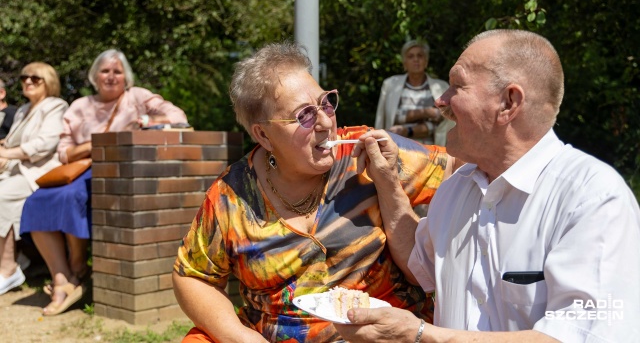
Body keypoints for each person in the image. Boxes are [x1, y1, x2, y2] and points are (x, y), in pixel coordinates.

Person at [334, 29, 640, 342]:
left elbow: (586, 336)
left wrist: (422, 336)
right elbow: (420, 261)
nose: (441, 101)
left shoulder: (593, 198)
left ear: (509, 102)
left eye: (457, 86)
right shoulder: (458, 188)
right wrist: (386, 178)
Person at [172, 42, 457, 342]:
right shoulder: (232, 196)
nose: (324, 122)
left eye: (326, 103)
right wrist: (241, 338)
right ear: (263, 135)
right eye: (304, 116)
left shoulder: (363, 154)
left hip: (383, 330)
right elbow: (192, 275)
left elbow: (458, 169)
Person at [19, 49, 188, 316]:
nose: (111, 76)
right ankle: (61, 276)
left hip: (118, 170)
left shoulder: (138, 97)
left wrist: (145, 120)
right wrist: (97, 143)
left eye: (117, 71)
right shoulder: (80, 106)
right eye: (105, 71)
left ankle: (76, 271)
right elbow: (64, 151)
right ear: (95, 75)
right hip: (78, 170)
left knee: (69, 198)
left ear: (126, 77)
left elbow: (178, 117)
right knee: (36, 200)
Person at [0, 63, 68, 295]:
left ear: (48, 81)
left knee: (2, 196)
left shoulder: (55, 106)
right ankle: (19, 259)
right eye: (24, 77)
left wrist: (5, 154)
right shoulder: (22, 110)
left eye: (35, 78)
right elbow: (10, 143)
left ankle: (9, 268)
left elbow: (43, 145)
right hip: (15, 168)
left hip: (38, 172)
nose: (27, 81)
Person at [375, 40, 455, 147]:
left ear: (426, 61)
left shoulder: (441, 87)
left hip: (431, 152)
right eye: (411, 56)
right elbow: (391, 117)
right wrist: (426, 112)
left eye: (420, 56)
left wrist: (407, 130)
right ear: (404, 62)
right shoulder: (390, 85)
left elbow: (441, 122)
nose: (416, 59)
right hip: (397, 149)